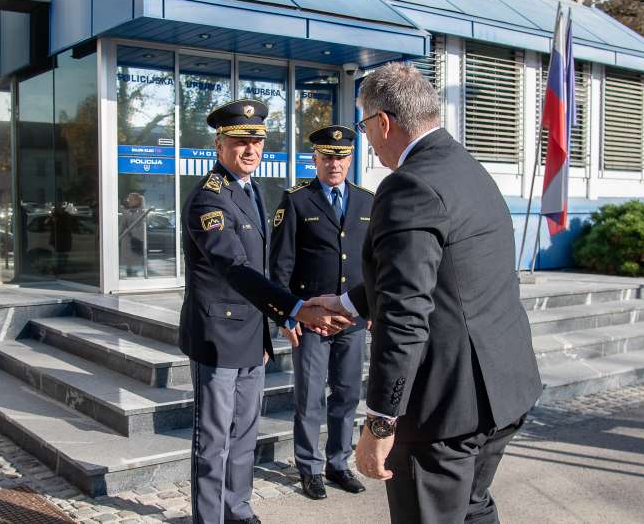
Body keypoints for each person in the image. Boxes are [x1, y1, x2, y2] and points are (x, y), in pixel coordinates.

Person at [309, 63, 542, 524]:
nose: (368, 142)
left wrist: (380, 422)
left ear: (384, 123)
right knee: (473, 508)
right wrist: (350, 302)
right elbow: (431, 274)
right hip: (502, 390)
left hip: (445, 408)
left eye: (363, 126)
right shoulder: (465, 166)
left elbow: (405, 314)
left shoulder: (407, 185)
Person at [179, 99, 352, 524]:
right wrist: (293, 307)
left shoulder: (255, 191)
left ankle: (238, 508)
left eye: (256, 141)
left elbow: (265, 268)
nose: (250, 150)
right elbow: (234, 267)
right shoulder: (208, 200)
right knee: (214, 439)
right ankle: (210, 518)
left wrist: (279, 318)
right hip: (217, 337)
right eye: (240, 142)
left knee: (245, 434)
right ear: (219, 145)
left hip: (253, 332)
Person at [269, 126, 373, 500]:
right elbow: (280, 264)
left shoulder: (367, 201)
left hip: (353, 318)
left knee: (346, 394)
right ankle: (309, 467)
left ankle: (338, 463)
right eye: (327, 156)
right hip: (311, 319)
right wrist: (285, 315)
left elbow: (373, 262)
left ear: (350, 159)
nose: (335, 163)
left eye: (341, 156)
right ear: (315, 159)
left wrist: (372, 306)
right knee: (310, 396)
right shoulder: (296, 200)